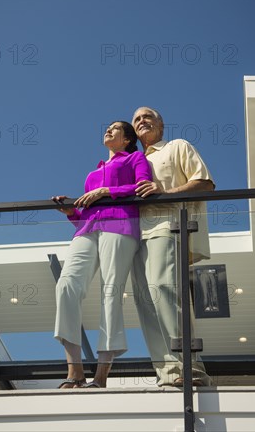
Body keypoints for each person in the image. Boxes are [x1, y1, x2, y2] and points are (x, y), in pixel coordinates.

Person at [52, 121, 152, 389]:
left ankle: (101, 376)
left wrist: (107, 191)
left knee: (111, 292)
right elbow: (85, 214)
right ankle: (74, 370)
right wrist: (71, 212)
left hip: (120, 226)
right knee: (65, 287)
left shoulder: (135, 157)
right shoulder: (91, 174)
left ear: (128, 138)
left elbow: (144, 185)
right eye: (106, 128)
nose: (107, 130)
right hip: (87, 230)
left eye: (115, 128)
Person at [131, 107, 215, 387]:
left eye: (148, 116)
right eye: (137, 119)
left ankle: (192, 369)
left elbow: (204, 184)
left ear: (161, 124)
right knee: (147, 305)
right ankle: (168, 374)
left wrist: (164, 193)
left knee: (166, 292)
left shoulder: (177, 146)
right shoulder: (132, 160)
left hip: (168, 227)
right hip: (133, 237)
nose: (142, 120)